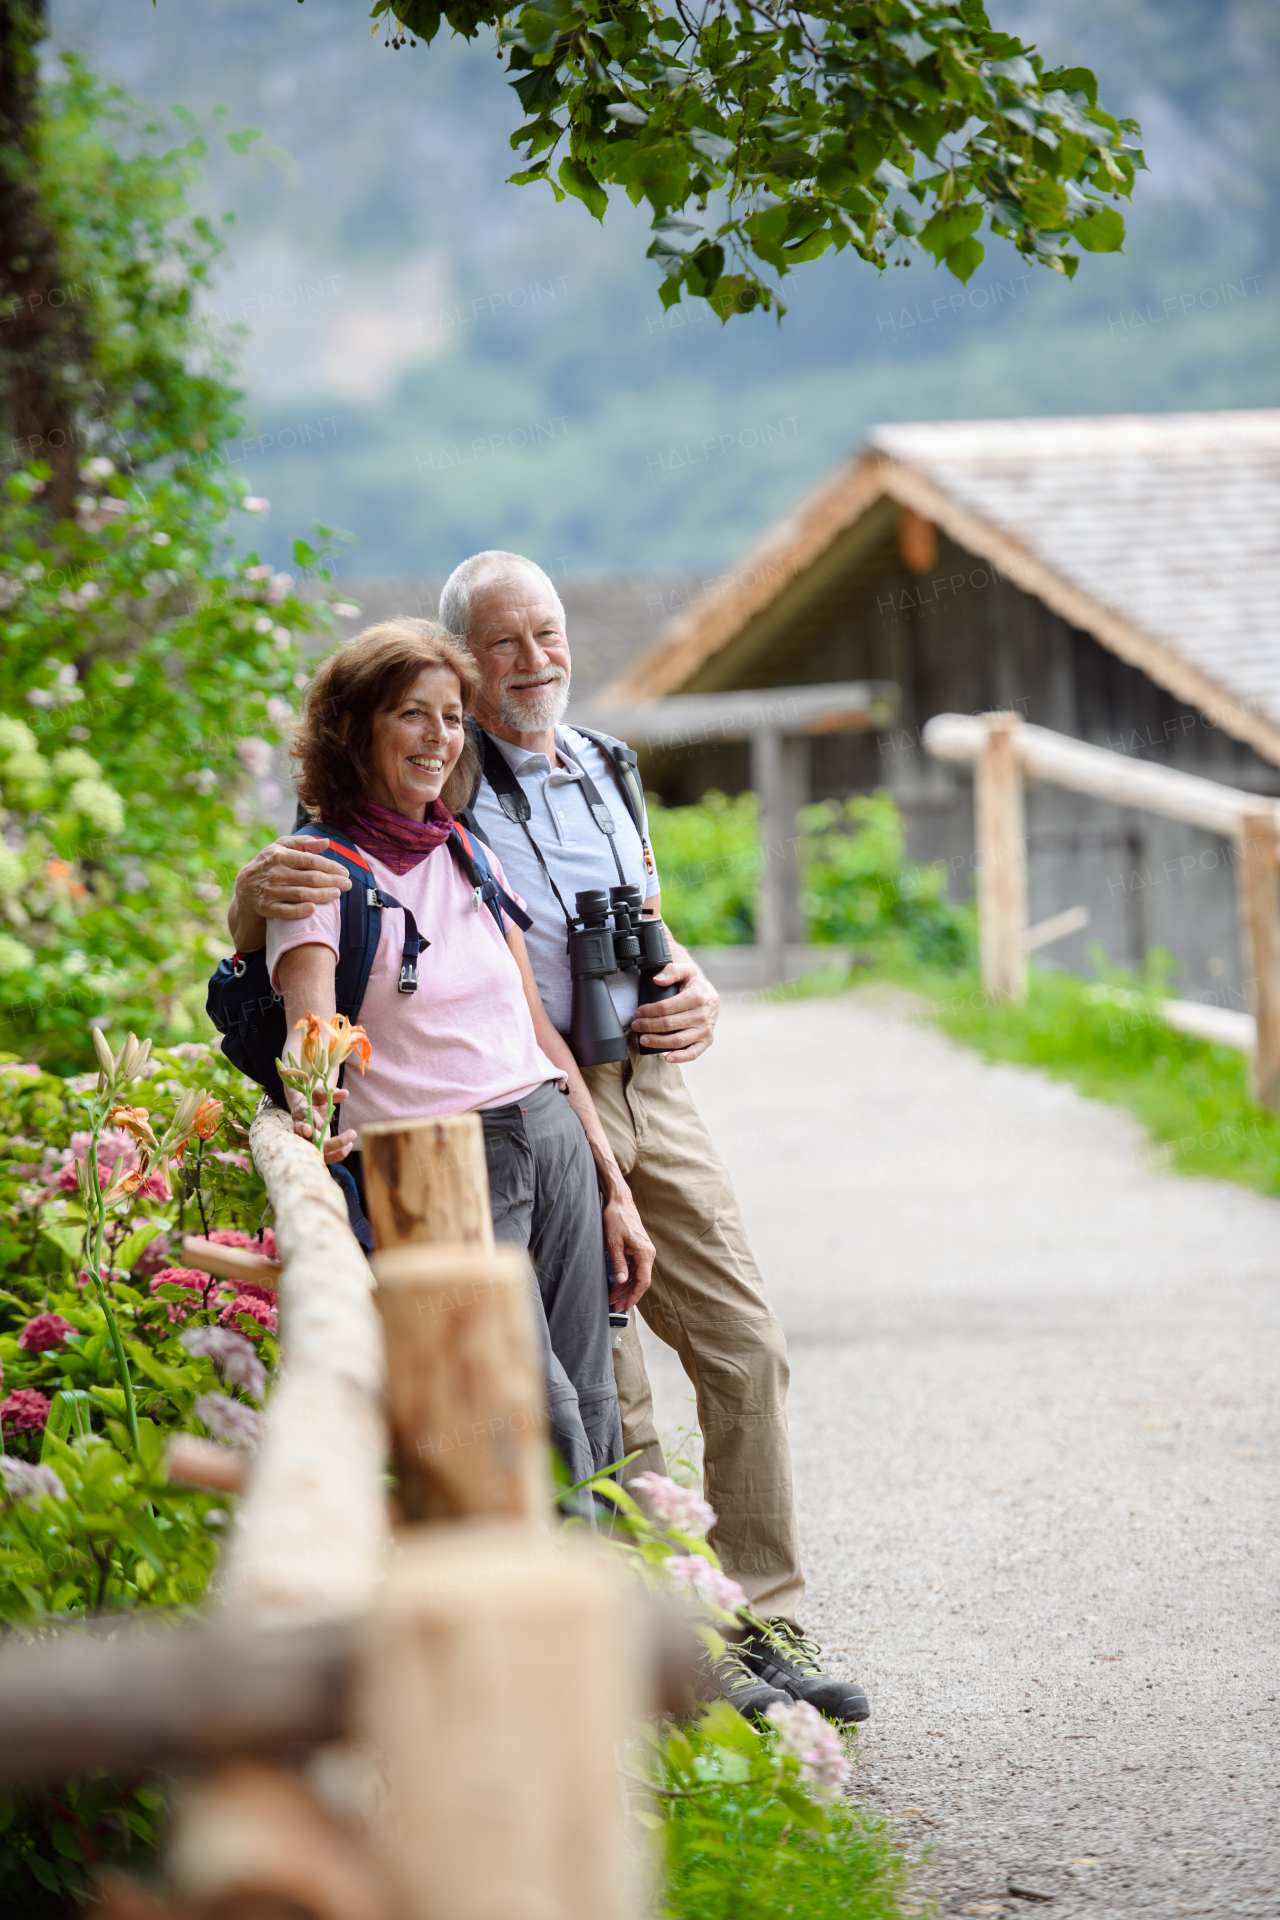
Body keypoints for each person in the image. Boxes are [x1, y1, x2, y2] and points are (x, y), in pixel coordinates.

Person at [229, 560, 869, 1724]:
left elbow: (635, 925)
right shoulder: (432, 788)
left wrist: (696, 985)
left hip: (628, 1090)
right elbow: (303, 894)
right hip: (483, 1123)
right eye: (503, 646)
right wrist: (250, 912)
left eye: (549, 634)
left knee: (742, 1346)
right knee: (600, 1401)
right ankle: (675, 1648)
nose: (534, 661)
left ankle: (759, 1611)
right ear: (465, 670)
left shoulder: (605, 767)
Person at [265, 616, 649, 1486]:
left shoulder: (468, 853)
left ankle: (606, 1606)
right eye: (412, 714)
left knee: (593, 1404)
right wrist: (314, 1119)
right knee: (525, 1413)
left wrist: (612, 1187)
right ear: (353, 729)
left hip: (548, 1140)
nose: (438, 738)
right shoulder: (316, 870)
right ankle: (540, 1612)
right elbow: (310, 1033)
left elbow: (541, 1036)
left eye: (450, 716)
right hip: (438, 1165)